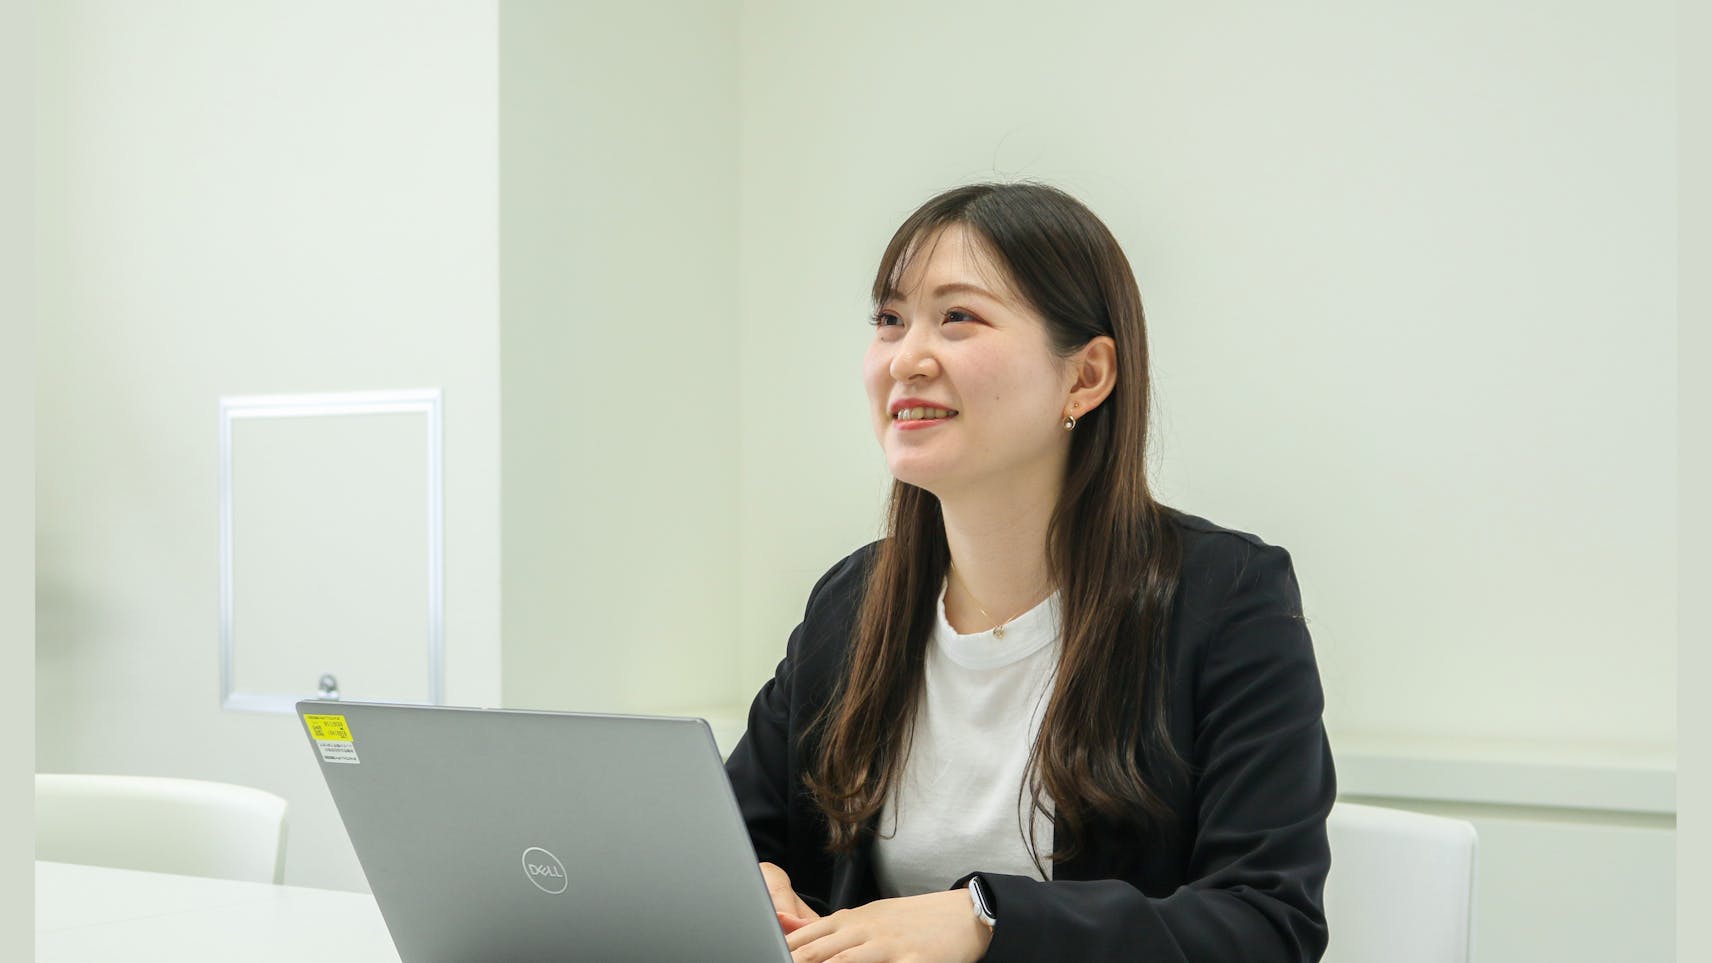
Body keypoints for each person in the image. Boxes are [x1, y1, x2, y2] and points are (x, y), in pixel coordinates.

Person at [724, 182, 1335, 963]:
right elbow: (736, 831)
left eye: (958, 317)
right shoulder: (850, 604)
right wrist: (754, 880)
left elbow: (1266, 924)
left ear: (1086, 377)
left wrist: (988, 919)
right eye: (889, 320)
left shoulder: (1227, 599)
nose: (905, 358)